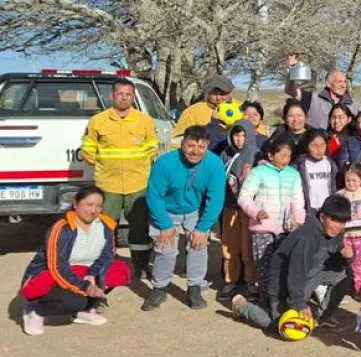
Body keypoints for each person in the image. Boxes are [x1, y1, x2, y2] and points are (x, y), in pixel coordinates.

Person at [231, 195, 353, 331]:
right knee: (284, 327)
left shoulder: (336, 233)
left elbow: (335, 262)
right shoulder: (308, 237)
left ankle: (323, 317)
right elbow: (296, 271)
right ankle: (242, 306)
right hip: (282, 284)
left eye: (342, 222)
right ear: (322, 217)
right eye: (334, 220)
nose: (338, 226)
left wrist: (347, 258)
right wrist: (299, 304)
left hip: (307, 277)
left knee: (345, 274)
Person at [20, 187, 131, 335]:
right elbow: (57, 267)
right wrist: (85, 287)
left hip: (84, 271)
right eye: (89, 204)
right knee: (73, 302)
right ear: (75, 204)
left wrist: (92, 274)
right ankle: (35, 311)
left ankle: (82, 311)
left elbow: (107, 255)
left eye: (98, 206)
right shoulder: (62, 228)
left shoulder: (106, 225)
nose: (93, 210)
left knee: (118, 273)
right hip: (53, 274)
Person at [80, 77, 158, 279]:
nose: (124, 98)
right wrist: (103, 166)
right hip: (108, 185)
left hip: (138, 184)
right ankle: (105, 266)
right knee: (105, 228)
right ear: (112, 95)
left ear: (133, 97)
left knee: (140, 229)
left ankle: (141, 266)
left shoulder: (144, 121)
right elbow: (88, 150)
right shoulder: (98, 121)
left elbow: (152, 148)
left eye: (128, 94)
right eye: (120, 94)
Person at [143, 126, 226, 311]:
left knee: (198, 244)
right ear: (182, 144)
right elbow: (154, 195)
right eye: (190, 146)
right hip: (166, 210)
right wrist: (164, 225)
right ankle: (160, 287)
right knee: (166, 249)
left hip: (193, 209)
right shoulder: (164, 164)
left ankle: (194, 287)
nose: (195, 151)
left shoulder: (214, 164)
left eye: (201, 147)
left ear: (207, 147)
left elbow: (216, 198)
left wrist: (203, 228)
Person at [239, 138, 306, 292]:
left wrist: (298, 220)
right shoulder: (258, 172)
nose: (286, 160)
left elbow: (297, 200)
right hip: (263, 227)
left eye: (288, 156)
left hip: (286, 228)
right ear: (270, 155)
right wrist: (256, 212)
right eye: (282, 156)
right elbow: (244, 197)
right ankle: (264, 298)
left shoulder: (293, 174)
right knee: (264, 265)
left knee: (283, 265)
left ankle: (279, 299)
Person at [217, 124, 259, 302]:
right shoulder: (225, 154)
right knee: (229, 245)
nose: (239, 139)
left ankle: (251, 282)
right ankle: (230, 281)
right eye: (235, 135)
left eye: (243, 135)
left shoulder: (257, 155)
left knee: (247, 246)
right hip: (230, 206)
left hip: (249, 209)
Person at [285, 55, 358, 129]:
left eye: (345, 82)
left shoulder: (353, 103)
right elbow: (290, 91)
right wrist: (292, 72)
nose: (343, 85)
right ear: (328, 83)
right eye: (339, 82)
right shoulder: (313, 99)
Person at [337, 164, 361, 294]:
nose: (350, 183)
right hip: (345, 235)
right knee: (343, 262)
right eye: (347, 180)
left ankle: (358, 289)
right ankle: (342, 288)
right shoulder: (339, 195)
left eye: (354, 180)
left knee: (358, 263)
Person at [172, 75, 234, 143]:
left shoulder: (238, 109)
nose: (218, 98)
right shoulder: (193, 111)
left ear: (230, 94)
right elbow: (176, 140)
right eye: (215, 94)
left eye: (222, 94)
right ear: (207, 93)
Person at [292, 129, 338, 214]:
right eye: (314, 146)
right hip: (308, 209)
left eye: (322, 145)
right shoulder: (300, 165)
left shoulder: (330, 163)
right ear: (306, 146)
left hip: (327, 207)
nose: (319, 149)